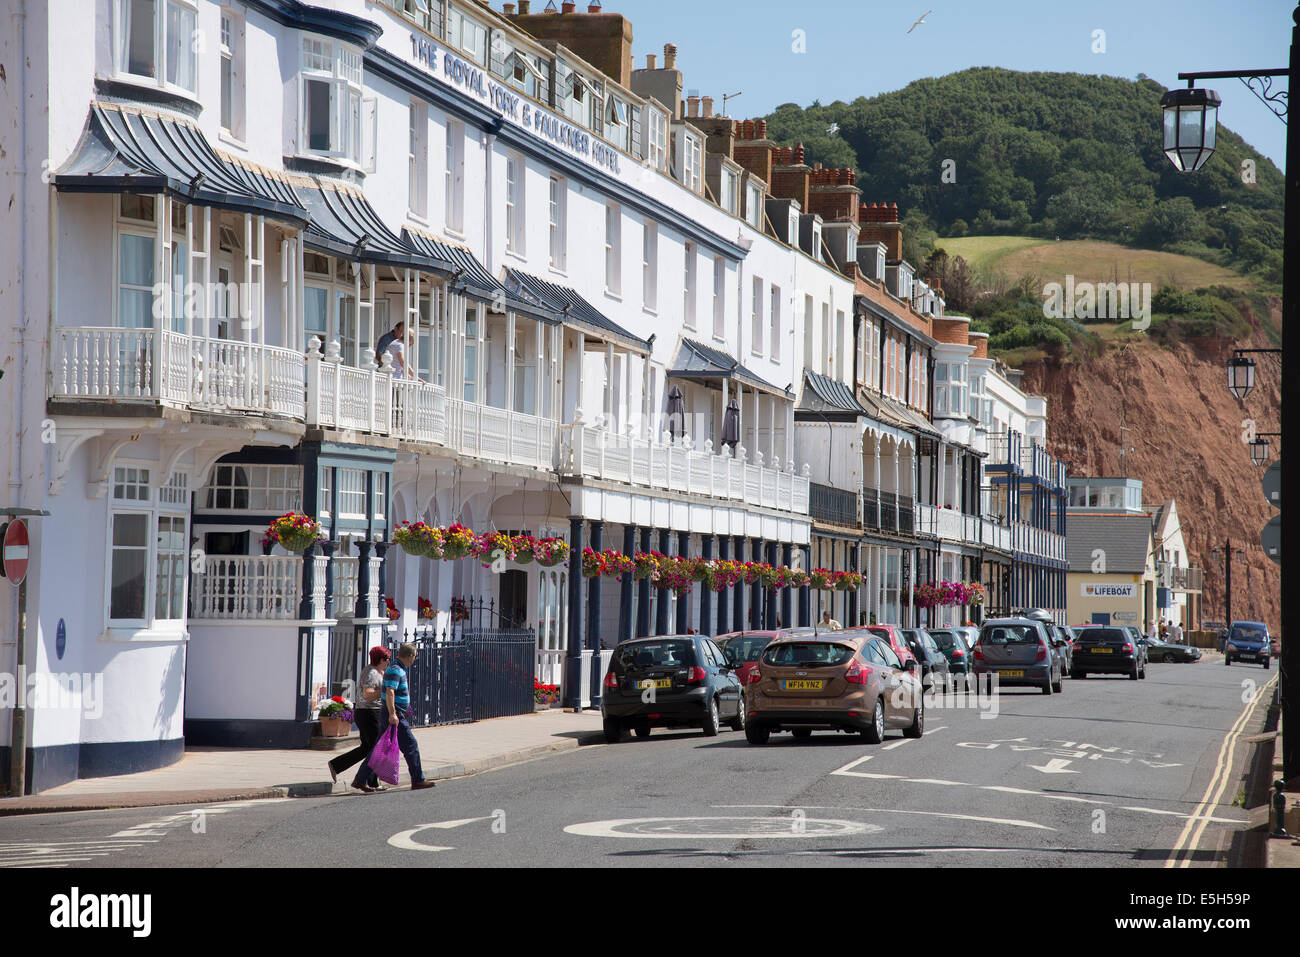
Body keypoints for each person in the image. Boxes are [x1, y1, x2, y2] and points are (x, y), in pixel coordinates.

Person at [329, 646, 389, 794]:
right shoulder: (372, 673)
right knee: (376, 748)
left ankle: (337, 765)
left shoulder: (373, 670)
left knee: (367, 748)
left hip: (366, 713)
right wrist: (385, 692)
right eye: (387, 658)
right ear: (381, 659)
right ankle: (370, 782)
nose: (388, 661)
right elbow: (368, 694)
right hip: (370, 713)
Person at [385, 643, 435, 790]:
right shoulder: (396, 670)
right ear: (410, 656)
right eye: (414, 657)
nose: (414, 660)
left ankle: (361, 778)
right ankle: (418, 780)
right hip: (396, 715)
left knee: (381, 747)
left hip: (398, 712)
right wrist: (393, 713)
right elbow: (390, 691)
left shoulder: (398, 668)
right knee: (410, 745)